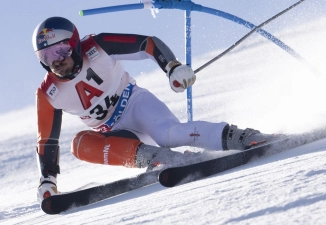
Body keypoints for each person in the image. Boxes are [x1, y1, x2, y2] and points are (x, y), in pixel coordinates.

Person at [32, 17, 275, 202]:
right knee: (79, 145)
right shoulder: (48, 93)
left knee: (168, 135)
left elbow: (146, 44)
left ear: (74, 45)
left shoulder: (97, 47)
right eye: (46, 55)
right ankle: (160, 160)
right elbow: (47, 141)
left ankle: (243, 137)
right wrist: (48, 179)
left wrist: (172, 67)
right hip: (119, 136)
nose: (56, 61)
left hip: (136, 105)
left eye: (60, 50)